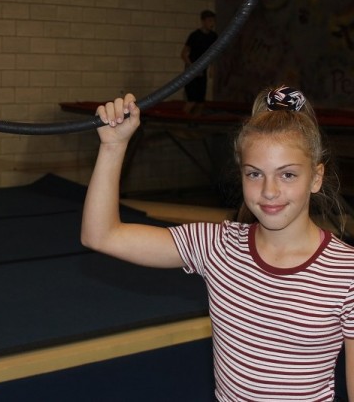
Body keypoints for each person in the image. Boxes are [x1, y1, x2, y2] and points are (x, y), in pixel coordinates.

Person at [82, 85, 354, 401]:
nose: (269, 190)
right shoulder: (217, 246)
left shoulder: (346, 272)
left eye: (288, 175)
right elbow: (100, 235)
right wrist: (113, 146)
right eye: (254, 174)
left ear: (316, 177)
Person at [181, 9, 217, 113]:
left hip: (202, 72)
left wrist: (212, 68)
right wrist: (194, 69)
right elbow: (183, 54)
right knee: (191, 101)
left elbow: (213, 53)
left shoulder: (213, 36)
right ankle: (181, 123)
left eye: (213, 21)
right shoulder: (194, 36)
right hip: (191, 71)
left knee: (200, 102)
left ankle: (194, 124)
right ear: (203, 21)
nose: (212, 23)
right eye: (209, 21)